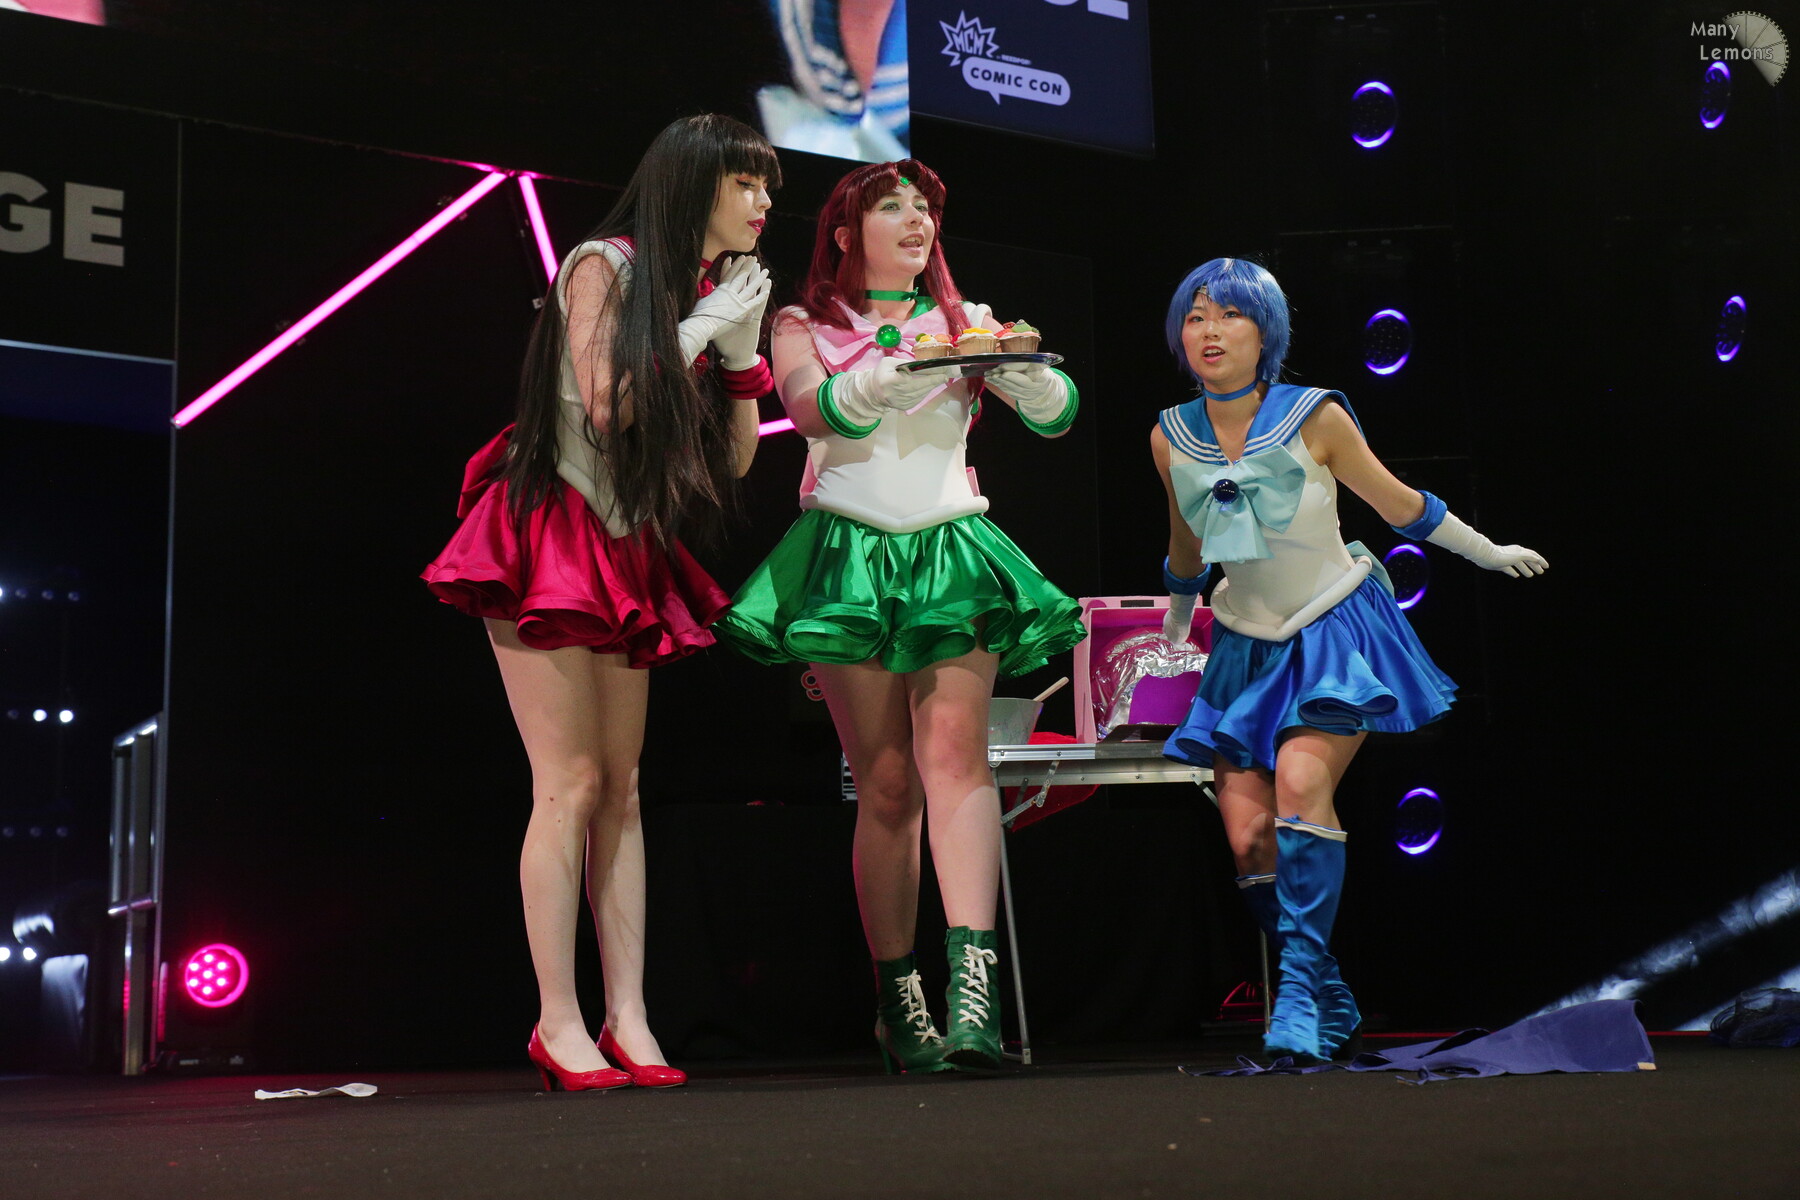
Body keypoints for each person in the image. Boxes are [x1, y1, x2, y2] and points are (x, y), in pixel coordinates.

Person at [421, 114, 780, 1091]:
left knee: (622, 787)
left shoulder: (695, 292)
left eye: (766, 188)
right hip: (546, 526)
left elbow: (733, 462)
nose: (761, 203)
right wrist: (704, 325)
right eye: (745, 183)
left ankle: (630, 1015)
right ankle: (557, 1020)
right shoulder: (602, 264)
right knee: (569, 783)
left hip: (626, 541)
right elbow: (605, 401)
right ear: (693, 185)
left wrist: (740, 355)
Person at [714, 160, 1085, 1072]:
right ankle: (899, 1002)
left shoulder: (967, 320)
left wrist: (1020, 374)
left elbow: (1058, 416)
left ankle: (974, 997)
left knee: (958, 761)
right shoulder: (800, 323)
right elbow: (812, 413)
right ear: (847, 232)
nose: (917, 220)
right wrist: (895, 372)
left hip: (952, 549)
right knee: (884, 785)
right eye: (893, 206)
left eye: (925, 208)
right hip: (848, 555)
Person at [1152, 257, 1547, 1064]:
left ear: (1266, 331)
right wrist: (1178, 620)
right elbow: (1186, 542)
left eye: (1229, 314)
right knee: (1248, 841)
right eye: (1196, 317)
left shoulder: (1317, 415)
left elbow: (1399, 505)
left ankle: (1298, 994)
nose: (1211, 331)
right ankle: (1330, 992)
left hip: (1330, 628)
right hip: (1243, 641)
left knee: (1303, 786)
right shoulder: (1169, 434)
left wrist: (1487, 551)